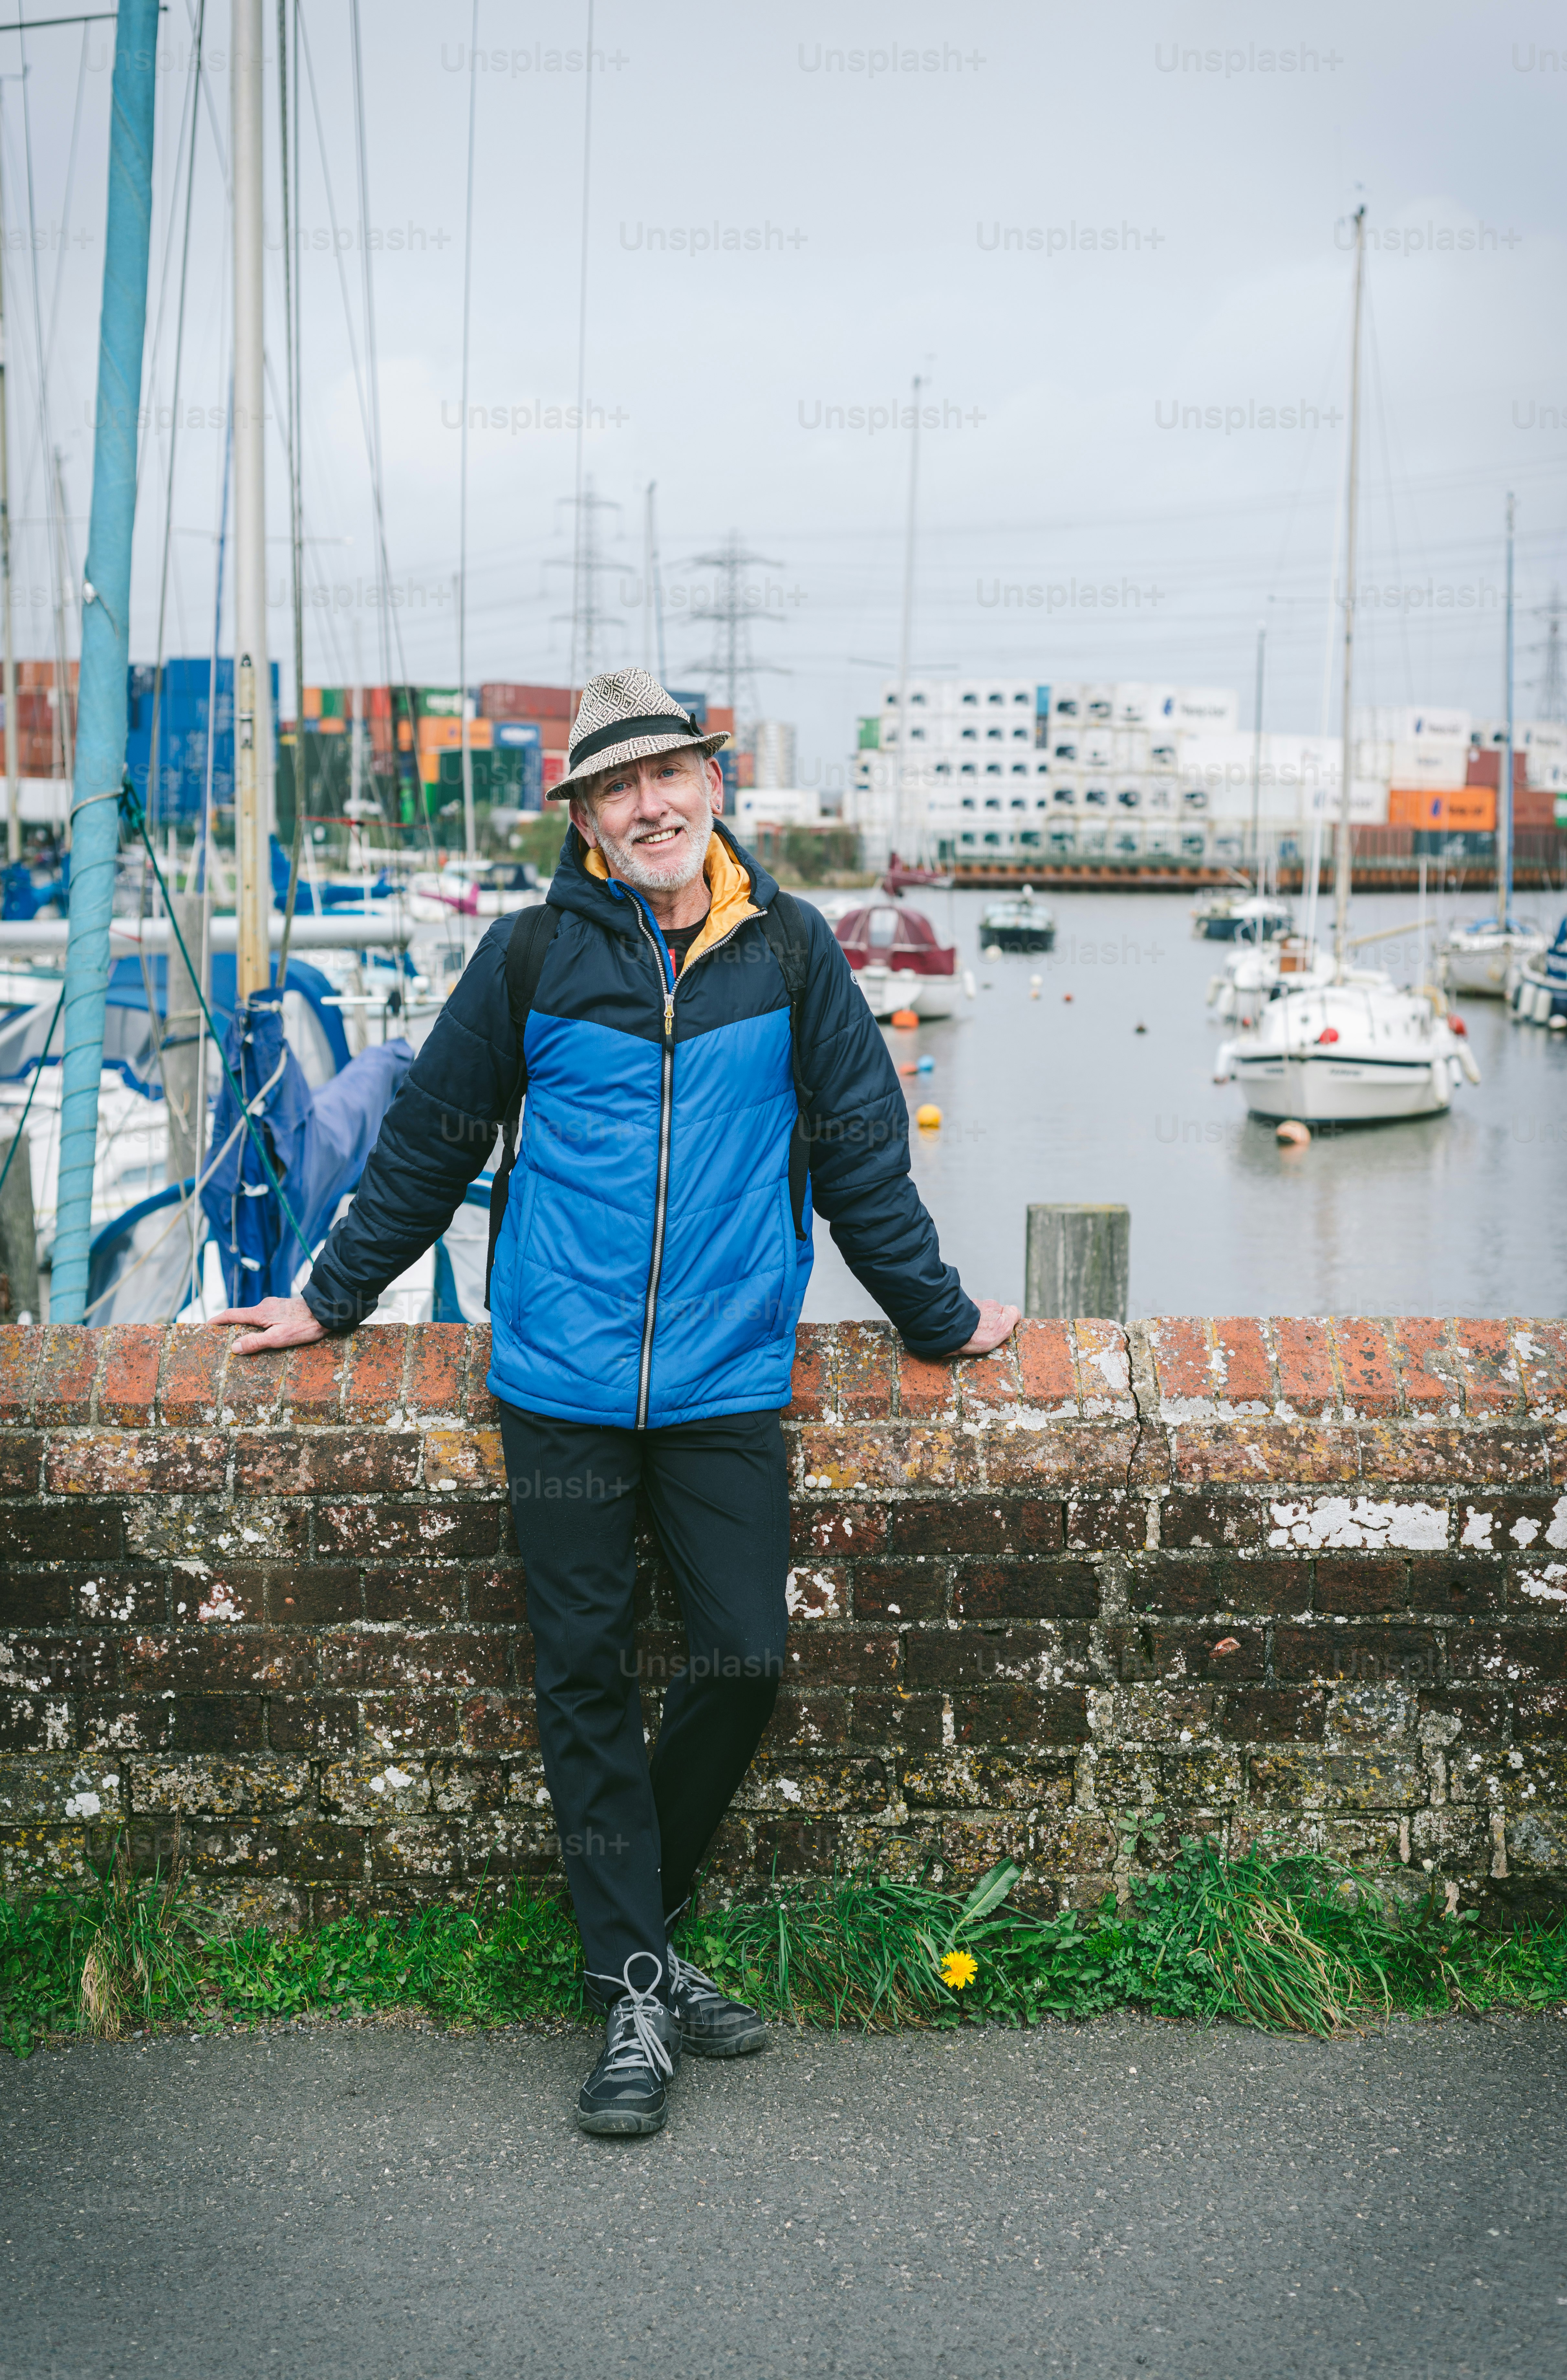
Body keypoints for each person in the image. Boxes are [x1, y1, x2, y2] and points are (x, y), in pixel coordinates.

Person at [217, 668, 1018, 2137]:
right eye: (616, 786)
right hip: (561, 1390)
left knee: (744, 1657)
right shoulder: (528, 960)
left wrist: (945, 1318)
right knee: (581, 1675)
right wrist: (331, 1297)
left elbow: (859, 1161)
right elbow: (429, 1143)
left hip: (721, 1383)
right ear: (585, 820)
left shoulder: (792, 957)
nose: (650, 802)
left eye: (671, 774)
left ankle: (634, 1931)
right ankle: (634, 1990)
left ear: (714, 787)